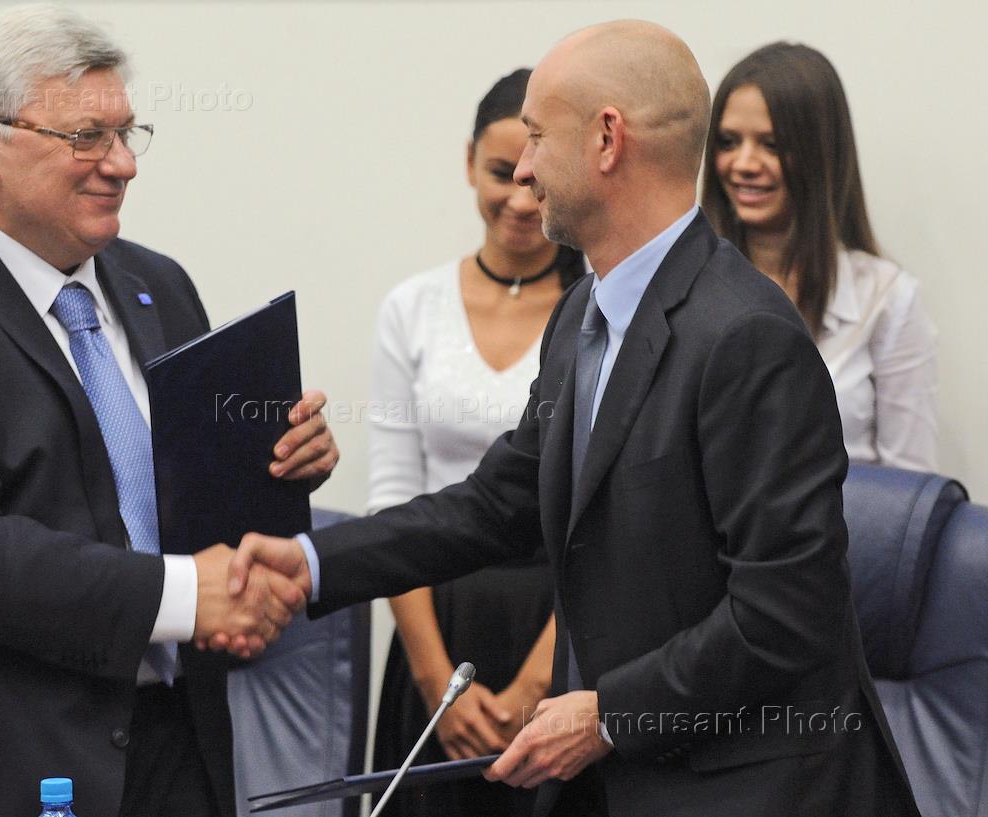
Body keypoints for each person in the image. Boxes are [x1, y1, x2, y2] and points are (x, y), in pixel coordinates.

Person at [225, 20, 921, 817]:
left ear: (607, 139)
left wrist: (610, 714)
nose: (524, 169)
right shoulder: (582, 313)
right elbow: (499, 504)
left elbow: (785, 612)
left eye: (535, 135)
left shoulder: (746, 335)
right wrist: (312, 561)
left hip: (748, 790)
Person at [0, 6, 334, 817]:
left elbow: (179, 501)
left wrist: (278, 465)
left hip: (170, 741)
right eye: (87, 137)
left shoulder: (158, 286)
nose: (123, 164)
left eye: (127, 133)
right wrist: (187, 594)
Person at [369, 68, 584, 817]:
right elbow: (395, 500)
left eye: (536, 176)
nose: (520, 200)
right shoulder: (413, 307)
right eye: (500, 173)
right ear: (469, 163)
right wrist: (437, 683)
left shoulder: (597, 311)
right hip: (434, 626)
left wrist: (537, 683)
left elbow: (604, 517)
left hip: (563, 625)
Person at [702, 42, 938, 471]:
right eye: (728, 141)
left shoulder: (886, 300)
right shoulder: (686, 284)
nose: (744, 163)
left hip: (848, 517)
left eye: (772, 144)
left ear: (822, 153)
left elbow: (909, 492)